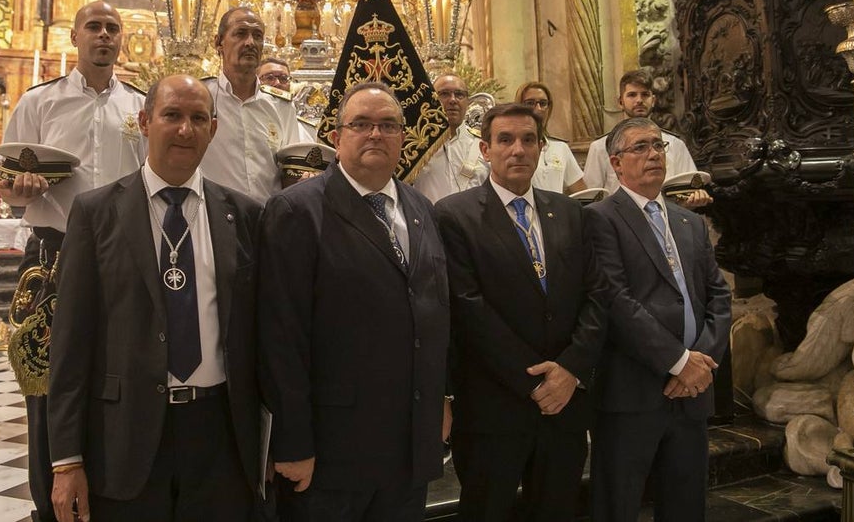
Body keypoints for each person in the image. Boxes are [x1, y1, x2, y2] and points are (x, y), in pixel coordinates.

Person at [47, 75, 262, 521]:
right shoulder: (96, 212)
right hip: (126, 435)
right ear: (144, 122)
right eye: (172, 115)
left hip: (219, 435)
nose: (186, 129)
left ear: (214, 129)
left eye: (198, 118)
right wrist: (66, 459)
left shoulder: (242, 215)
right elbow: (69, 344)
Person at [258, 82, 450, 522]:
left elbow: (435, 312)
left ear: (405, 137)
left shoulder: (421, 208)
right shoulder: (297, 211)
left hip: (408, 446)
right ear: (336, 136)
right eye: (361, 124)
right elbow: (280, 337)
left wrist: (441, 398)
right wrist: (292, 442)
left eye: (387, 125)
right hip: (332, 452)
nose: (375, 135)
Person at [0, 0, 146, 522]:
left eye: (113, 27)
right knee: (50, 382)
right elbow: (7, 187)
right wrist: (21, 188)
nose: (104, 35)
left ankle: (113, 496)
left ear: (121, 39)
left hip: (125, 254)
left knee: (122, 372)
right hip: (55, 255)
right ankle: (49, 504)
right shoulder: (41, 103)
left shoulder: (141, 107)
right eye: (94, 27)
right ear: (75, 37)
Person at [435, 102, 606, 520]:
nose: (518, 149)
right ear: (485, 149)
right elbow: (468, 307)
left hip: (564, 404)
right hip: (493, 406)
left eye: (529, 140)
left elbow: (598, 296)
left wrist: (570, 370)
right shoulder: (454, 216)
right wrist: (532, 381)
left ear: (541, 148)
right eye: (506, 140)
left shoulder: (570, 212)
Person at [586, 117, 731, 522]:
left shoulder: (690, 222)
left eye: (658, 145)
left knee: (686, 504)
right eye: (640, 147)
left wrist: (701, 362)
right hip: (633, 390)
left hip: (692, 392)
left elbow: (718, 296)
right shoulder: (601, 219)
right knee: (619, 503)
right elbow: (616, 300)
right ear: (616, 164)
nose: (653, 154)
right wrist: (679, 362)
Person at [201, 8, 304, 202]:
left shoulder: (281, 106)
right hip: (215, 219)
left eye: (257, 36)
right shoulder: (201, 98)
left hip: (267, 220)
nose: (250, 43)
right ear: (218, 42)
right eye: (240, 33)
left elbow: (291, 172)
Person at [583, 69, 709, 206]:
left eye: (645, 95)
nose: (639, 100)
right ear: (620, 102)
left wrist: (695, 198)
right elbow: (593, 196)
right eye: (632, 95)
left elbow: (690, 187)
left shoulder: (674, 144)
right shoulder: (600, 147)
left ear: (653, 100)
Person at [411, 73, 487, 203]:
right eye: (444, 94)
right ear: (432, 99)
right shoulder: (415, 148)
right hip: (430, 221)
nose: (453, 100)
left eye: (459, 94)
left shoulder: (483, 146)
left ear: (467, 102)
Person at [514, 81, 586, 194]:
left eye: (543, 103)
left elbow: (582, 192)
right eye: (530, 103)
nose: (538, 108)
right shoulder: (514, 149)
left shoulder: (560, 148)